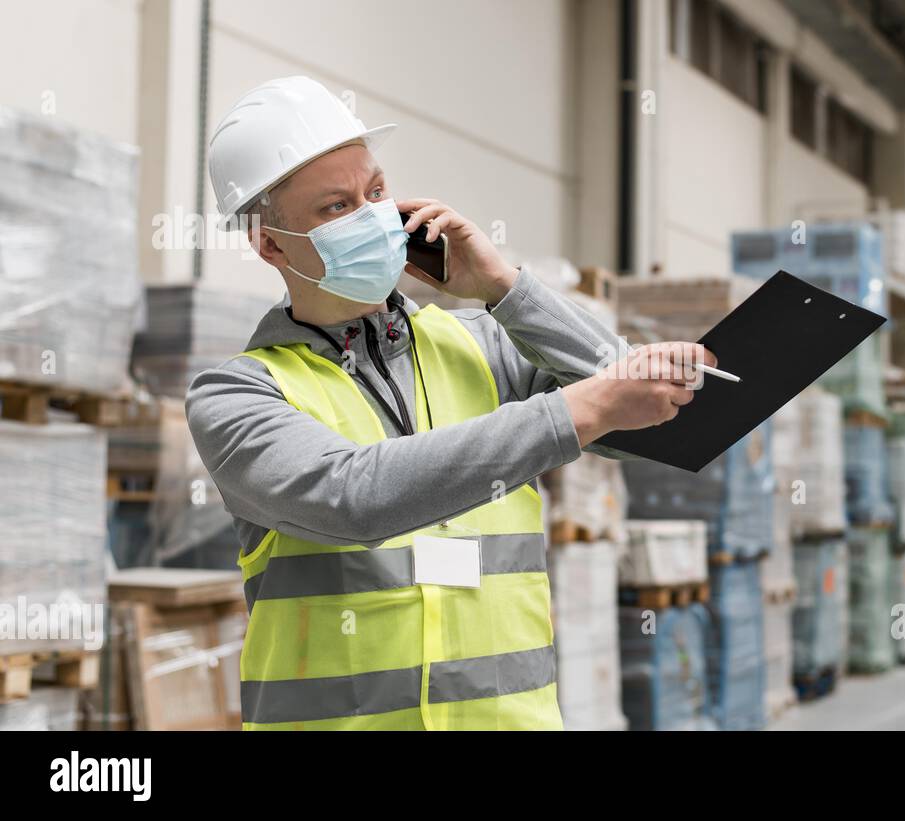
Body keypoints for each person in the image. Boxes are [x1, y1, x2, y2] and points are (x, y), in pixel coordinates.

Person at [186, 75, 715, 730]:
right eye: (335, 207)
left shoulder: (483, 345)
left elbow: (643, 412)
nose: (371, 215)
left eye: (375, 192)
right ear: (271, 244)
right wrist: (575, 410)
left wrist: (504, 286)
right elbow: (354, 497)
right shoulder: (240, 393)